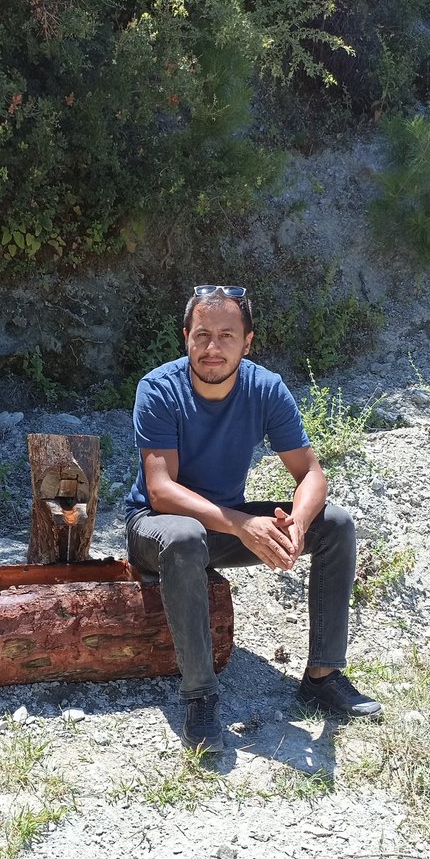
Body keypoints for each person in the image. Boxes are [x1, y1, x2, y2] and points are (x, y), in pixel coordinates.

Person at [125, 284, 382, 752]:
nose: (212, 347)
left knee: (337, 524)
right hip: (155, 528)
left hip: (222, 526)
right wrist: (243, 525)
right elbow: (161, 492)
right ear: (185, 337)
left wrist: (298, 524)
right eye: (201, 334)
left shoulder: (265, 388)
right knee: (184, 536)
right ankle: (200, 698)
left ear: (248, 342)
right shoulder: (159, 388)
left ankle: (322, 677)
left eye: (226, 335)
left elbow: (311, 474)